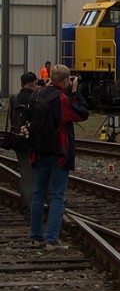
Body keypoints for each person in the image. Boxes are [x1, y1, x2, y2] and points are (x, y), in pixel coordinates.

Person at [28, 64, 89, 249]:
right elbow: (81, 113)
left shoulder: (36, 95)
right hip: (59, 152)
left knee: (38, 194)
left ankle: (36, 236)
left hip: (39, 151)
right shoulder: (62, 99)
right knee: (57, 196)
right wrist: (75, 93)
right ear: (65, 81)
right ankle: (51, 239)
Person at [9, 71, 40, 218]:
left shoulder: (14, 98)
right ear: (33, 83)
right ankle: (31, 208)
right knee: (35, 175)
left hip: (18, 140)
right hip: (34, 142)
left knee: (25, 175)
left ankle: (27, 205)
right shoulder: (36, 98)